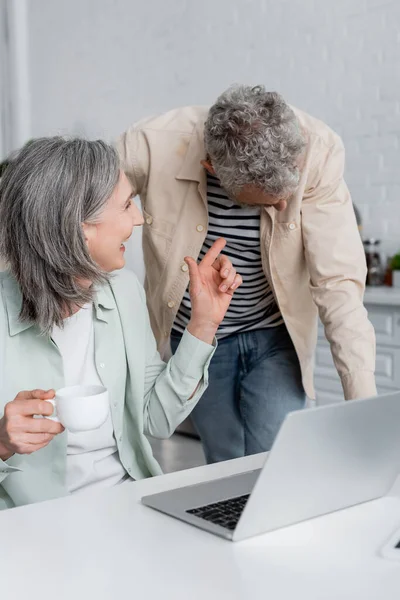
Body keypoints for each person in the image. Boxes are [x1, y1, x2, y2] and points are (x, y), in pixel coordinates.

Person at [117, 84, 376, 464]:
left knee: (277, 462)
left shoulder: (318, 150)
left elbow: (338, 285)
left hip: (275, 334)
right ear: (213, 170)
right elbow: (81, 198)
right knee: (225, 465)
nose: (287, 205)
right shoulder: (149, 145)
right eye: (271, 201)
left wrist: (363, 410)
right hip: (198, 339)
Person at [0, 137, 242, 510]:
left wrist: (203, 324)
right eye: (127, 204)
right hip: (34, 523)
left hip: (129, 504)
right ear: (80, 226)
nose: (140, 218)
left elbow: (156, 418)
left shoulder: (123, 291)